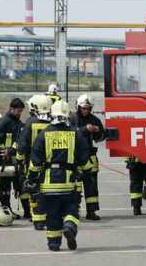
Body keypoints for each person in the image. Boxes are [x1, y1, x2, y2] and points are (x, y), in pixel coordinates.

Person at [26, 100, 89, 251]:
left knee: (53, 215)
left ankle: (54, 244)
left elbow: (35, 161)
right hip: (69, 182)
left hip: (48, 185)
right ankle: (69, 226)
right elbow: (84, 157)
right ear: (68, 115)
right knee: (71, 209)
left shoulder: (43, 134)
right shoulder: (75, 133)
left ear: (51, 114)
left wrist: (31, 179)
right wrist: (82, 171)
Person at [16, 95, 52, 229]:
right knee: (48, 190)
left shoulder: (30, 122)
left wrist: (19, 159)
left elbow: (23, 144)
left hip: (33, 162)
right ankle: (49, 215)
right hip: (51, 163)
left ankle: (37, 218)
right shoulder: (54, 122)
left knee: (34, 190)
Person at [70, 94, 105, 220]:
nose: (86, 111)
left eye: (88, 108)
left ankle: (91, 211)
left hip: (90, 156)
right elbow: (70, 133)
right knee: (75, 187)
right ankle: (74, 212)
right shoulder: (72, 118)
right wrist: (85, 129)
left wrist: (98, 131)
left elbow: (101, 137)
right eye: (83, 108)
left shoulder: (94, 119)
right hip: (75, 157)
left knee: (91, 185)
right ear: (78, 107)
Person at [0, 98, 24, 218]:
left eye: (21, 111)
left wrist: (12, 150)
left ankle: (27, 212)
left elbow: (20, 140)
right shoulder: (3, 123)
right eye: (18, 111)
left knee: (20, 185)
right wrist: (3, 151)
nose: (20, 114)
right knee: (4, 188)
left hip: (15, 160)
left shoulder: (18, 124)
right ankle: (6, 211)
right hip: (4, 161)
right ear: (12, 109)